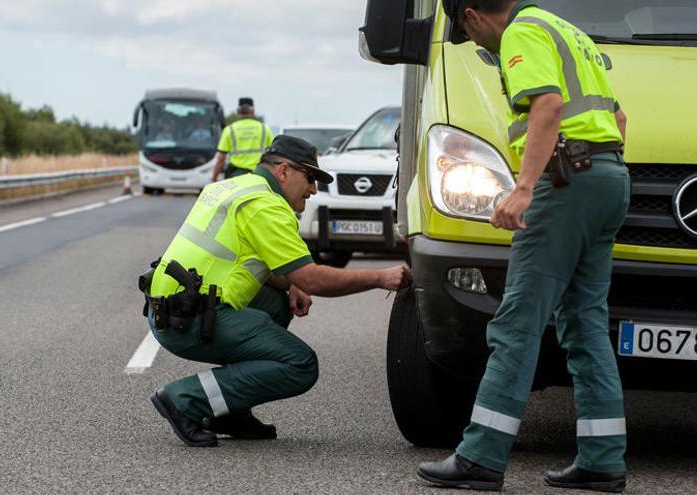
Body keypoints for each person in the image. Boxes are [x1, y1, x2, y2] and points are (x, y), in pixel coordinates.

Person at [417, 1, 630, 492]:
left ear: (471, 16)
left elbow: (549, 105)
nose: (477, 45)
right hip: (607, 177)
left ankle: (481, 458)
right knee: (586, 323)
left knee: (517, 323)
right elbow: (618, 119)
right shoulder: (568, 31)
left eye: (469, 36)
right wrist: (602, 175)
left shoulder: (521, 32)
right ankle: (602, 460)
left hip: (566, 183)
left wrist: (526, 187)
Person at [146, 135, 411, 447]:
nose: (313, 190)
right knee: (299, 364)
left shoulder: (232, 187)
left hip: (170, 308)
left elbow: (250, 259)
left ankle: (229, 410)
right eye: (310, 178)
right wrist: (381, 277)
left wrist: (292, 284)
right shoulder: (266, 206)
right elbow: (313, 278)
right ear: (284, 171)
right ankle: (184, 399)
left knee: (277, 304)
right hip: (188, 321)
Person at [212, 97, 274, 181]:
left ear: (238, 112)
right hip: (258, 175)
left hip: (236, 176)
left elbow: (221, 158)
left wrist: (214, 178)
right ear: (253, 111)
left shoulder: (230, 130)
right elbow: (273, 155)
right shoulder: (264, 129)